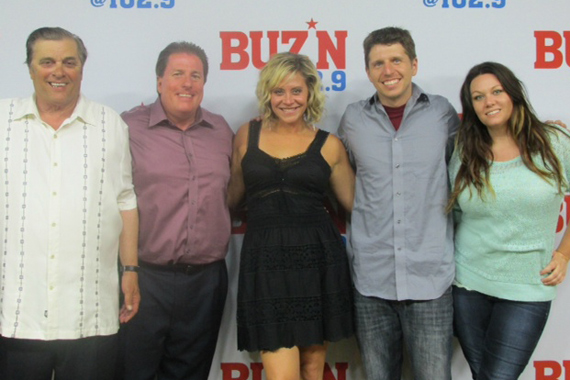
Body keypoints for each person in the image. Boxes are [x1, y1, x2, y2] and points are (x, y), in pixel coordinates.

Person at [0, 27, 140, 380]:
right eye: (46, 62)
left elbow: (125, 199)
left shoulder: (110, 124)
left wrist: (131, 271)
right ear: (30, 68)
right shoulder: (2, 121)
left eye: (69, 62)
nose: (58, 71)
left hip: (89, 312)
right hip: (15, 312)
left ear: (82, 67)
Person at [337, 27, 460, 380]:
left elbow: (478, 156)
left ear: (414, 64)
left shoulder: (441, 114)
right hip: (371, 279)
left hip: (430, 280)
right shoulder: (352, 119)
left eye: (396, 60)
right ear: (368, 70)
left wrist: (536, 132)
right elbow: (326, 165)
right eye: (378, 63)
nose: (388, 70)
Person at [227, 52, 355, 380]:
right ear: (267, 94)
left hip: (318, 261)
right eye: (279, 91)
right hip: (265, 263)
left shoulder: (329, 145)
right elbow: (231, 197)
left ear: (310, 93)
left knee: (313, 369)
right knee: (281, 374)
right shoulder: (246, 136)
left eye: (296, 91)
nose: (288, 100)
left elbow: (356, 205)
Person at [448, 61, 570, 380]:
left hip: (528, 286)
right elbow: (454, 212)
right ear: (471, 106)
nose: (489, 102)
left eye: (496, 91)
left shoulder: (554, 141)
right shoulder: (464, 149)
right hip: (468, 283)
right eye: (478, 97)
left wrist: (564, 252)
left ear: (512, 93)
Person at [119, 41, 233, 380]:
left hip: (205, 281)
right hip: (144, 278)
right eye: (178, 74)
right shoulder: (127, 127)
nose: (187, 83)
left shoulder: (222, 131)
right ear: (158, 81)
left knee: (190, 374)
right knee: (132, 372)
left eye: (195, 75)